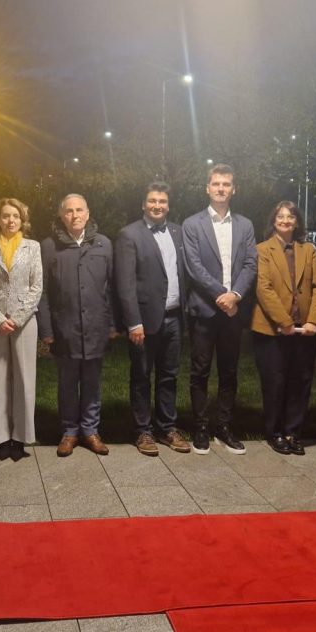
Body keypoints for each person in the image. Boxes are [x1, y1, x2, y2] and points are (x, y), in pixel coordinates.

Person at [181, 164, 257, 455]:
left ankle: (224, 426)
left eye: (226, 184)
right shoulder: (192, 224)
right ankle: (200, 427)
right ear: (207, 188)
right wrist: (222, 295)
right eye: (216, 184)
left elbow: (250, 264)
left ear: (233, 189)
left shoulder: (245, 225)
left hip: (233, 311)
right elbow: (194, 267)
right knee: (200, 372)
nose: (221, 188)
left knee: (229, 371)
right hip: (205, 310)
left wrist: (235, 295)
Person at [114, 182, 191, 457]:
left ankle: (167, 427)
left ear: (168, 206)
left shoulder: (178, 232)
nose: (157, 205)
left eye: (162, 201)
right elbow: (124, 283)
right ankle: (142, 430)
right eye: (152, 201)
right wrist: (133, 322)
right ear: (143, 205)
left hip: (174, 318)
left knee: (169, 376)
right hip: (144, 322)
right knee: (141, 376)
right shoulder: (129, 234)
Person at [38, 194, 115, 457]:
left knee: (92, 383)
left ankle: (90, 430)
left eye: (79, 210)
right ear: (62, 216)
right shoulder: (49, 246)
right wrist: (47, 330)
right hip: (65, 328)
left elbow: (111, 288)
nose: (74, 215)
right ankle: (70, 431)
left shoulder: (103, 244)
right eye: (69, 211)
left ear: (88, 213)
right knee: (67, 383)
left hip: (96, 327)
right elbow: (43, 291)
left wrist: (112, 324)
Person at [250, 201, 316, 455]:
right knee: (275, 382)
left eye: (291, 217)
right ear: (273, 221)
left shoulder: (308, 250)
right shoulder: (262, 250)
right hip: (272, 330)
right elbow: (263, 288)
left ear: (297, 222)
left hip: (305, 329)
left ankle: (294, 431)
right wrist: (284, 322)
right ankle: (274, 432)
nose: (285, 220)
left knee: (300, 381)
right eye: (280, 216)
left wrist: (313, 320)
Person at [0, 198, 43, 461]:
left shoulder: (32, 247)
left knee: (25, 378)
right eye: (5, 216)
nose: (11, 220)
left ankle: (21, 437)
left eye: (15, 216)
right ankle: (1, 438)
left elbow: (37, 286)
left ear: (22, 220)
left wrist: (18, 317)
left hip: (24, 321)